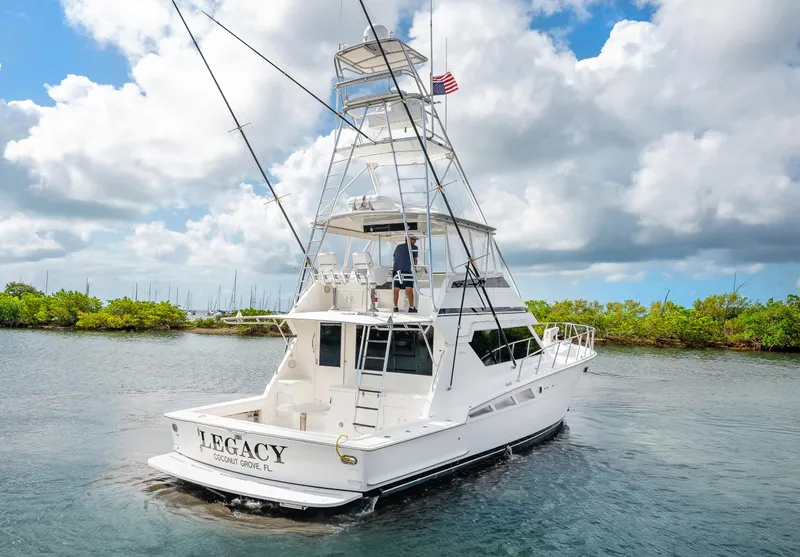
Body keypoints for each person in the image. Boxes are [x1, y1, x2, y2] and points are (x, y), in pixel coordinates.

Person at [392, 235, 418, 313]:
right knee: (409, 288)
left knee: (396, 289)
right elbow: (415, 261)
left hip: (396, 270)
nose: (415, 241)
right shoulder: (414, 247)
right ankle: (411, 307)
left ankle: (395, 307)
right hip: (406, 271)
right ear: (409, 239)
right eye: (414, 239)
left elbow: (394, 258)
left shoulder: (398, 247)